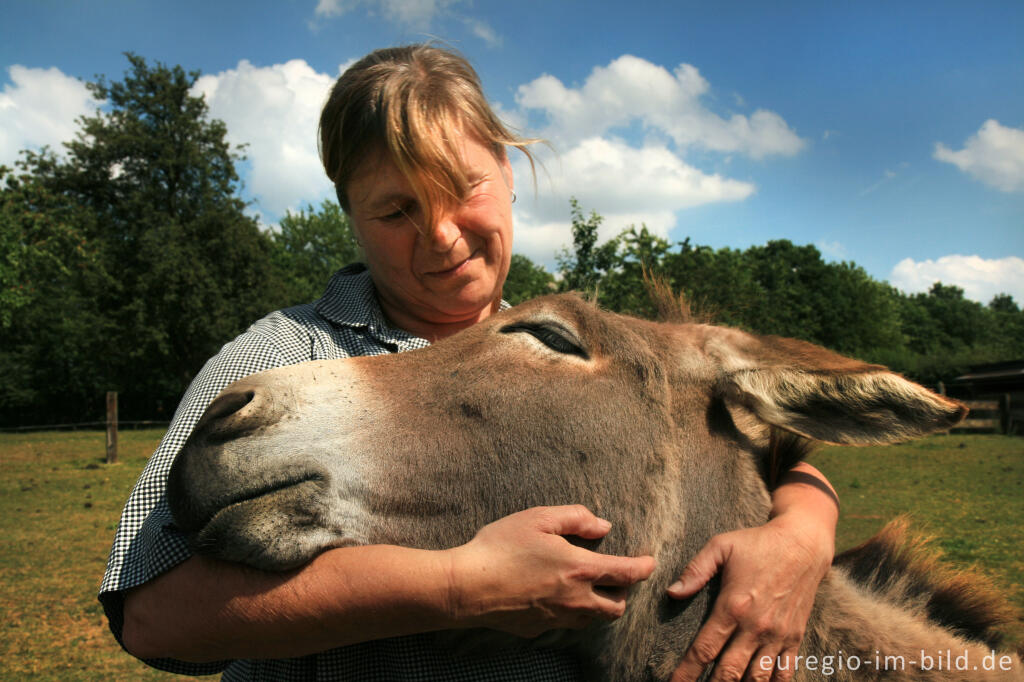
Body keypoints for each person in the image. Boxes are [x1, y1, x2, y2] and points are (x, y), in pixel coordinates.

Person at [100, 44, 839, 682]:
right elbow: (153, 614)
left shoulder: (581, 348)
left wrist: (804, 530)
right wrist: (456, 586)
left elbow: (737, 437)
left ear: (510, 169)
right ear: (349, 217)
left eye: (463, 188)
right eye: (396, 212)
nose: (443, 236)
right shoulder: (282, 357)